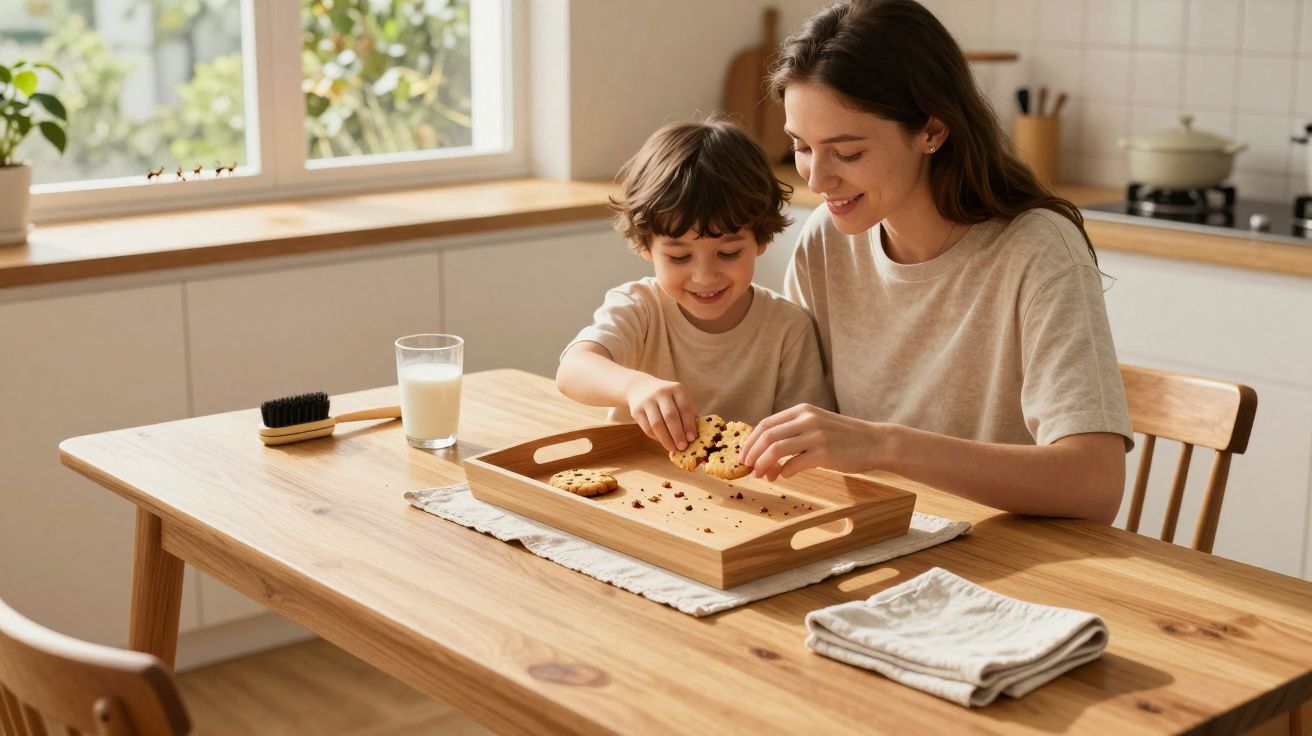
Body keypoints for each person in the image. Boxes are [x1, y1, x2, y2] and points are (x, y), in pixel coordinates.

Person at [738, 0, 1133, 523]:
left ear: (932, 131)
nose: (817, 180)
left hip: (1006, 562)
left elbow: (1094, 484)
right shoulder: (827, 239)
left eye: (848, 152)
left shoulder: (1038, 251)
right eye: (802, 147)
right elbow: (800, 411)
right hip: (875, 535)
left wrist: (886, 446)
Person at [556, 116, 834, 452]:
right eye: (679, 257)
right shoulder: (639, 307)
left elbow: (806, 435)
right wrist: (634, 386)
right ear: (646, 247)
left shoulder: (788, 328)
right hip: (637, 489)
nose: (704, 276)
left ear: (761, 239)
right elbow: (572, 371)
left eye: (728, 253)